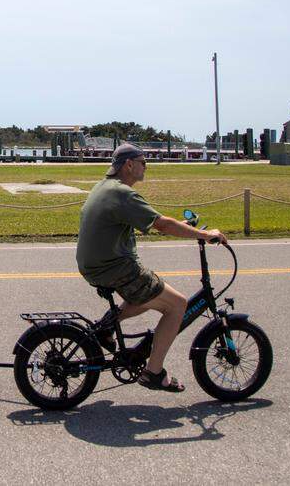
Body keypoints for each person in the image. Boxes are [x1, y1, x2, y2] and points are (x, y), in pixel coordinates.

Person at [76, 143, 227, 392]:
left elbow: (156, 221)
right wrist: (205, 235)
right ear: (129, 165)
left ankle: (106, 327)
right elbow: (162, 225)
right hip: (114, 267)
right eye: (144, 162)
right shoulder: (123, 194)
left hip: (96, 265)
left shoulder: (105, 187)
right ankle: (153, 372)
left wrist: (186, 227)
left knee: (149, 293)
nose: (147, 166)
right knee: (177, 305)